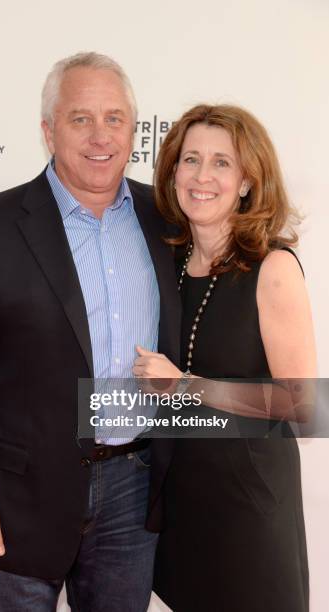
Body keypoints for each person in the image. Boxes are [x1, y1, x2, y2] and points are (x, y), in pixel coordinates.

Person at [0, 52, 181, 612]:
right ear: (48, 130)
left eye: (114, 118)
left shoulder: (168, 220)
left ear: (134, 131)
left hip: (134, 495)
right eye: (80, 118)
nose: (99, 136)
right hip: (16, 504)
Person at [132, 104, 316, 611]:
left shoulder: (272, 267)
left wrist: (188, 385)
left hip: (250, 508)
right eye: (190, 160)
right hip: (181, 505)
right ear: (172, 174)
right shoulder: (164, 262)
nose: (202, 176)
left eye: (221, 163)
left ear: (246, 181)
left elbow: (305, 406)